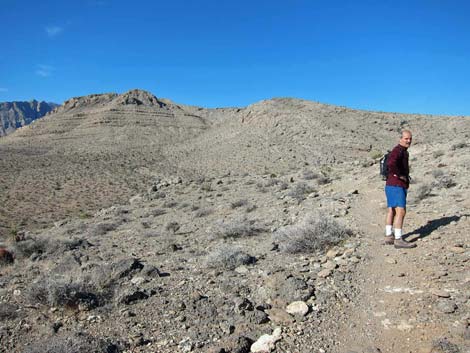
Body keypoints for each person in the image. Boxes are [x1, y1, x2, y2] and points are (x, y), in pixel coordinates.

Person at [384, 129, 416, 248]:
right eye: (406, 138)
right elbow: (391, 164)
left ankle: (389, 236)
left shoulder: (401, 151)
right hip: (397, 185)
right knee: (400, 211)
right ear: (400, 139)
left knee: (391, 210)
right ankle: (398, 239)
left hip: (391, 184)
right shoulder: (399, 150)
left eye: (410, 139)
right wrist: (400, 175)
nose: (408, 141)